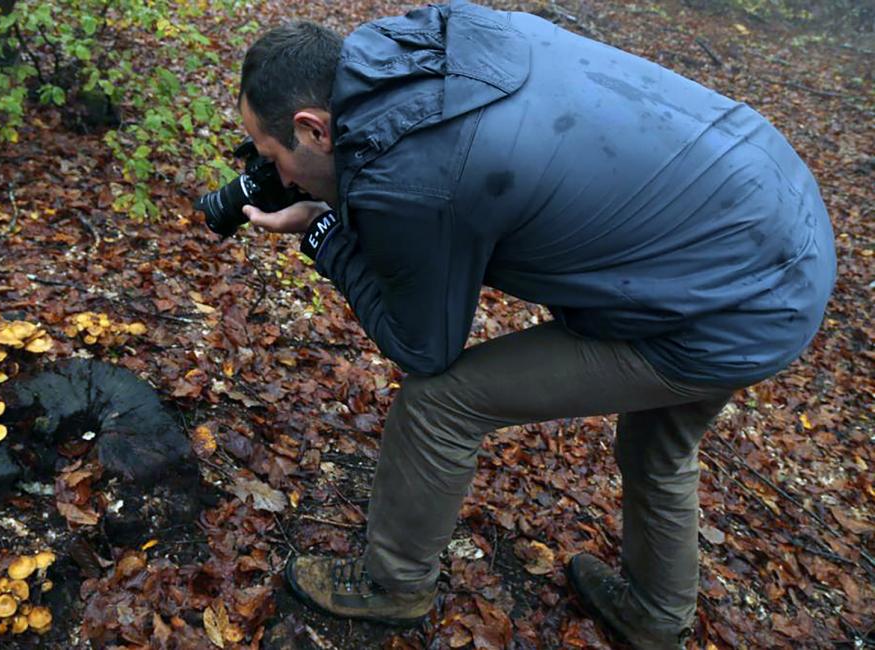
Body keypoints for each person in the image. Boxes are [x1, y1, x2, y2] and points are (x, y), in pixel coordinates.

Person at [233, 2, 836, 648]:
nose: (276, 176)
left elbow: (423, 346)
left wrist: (325, 234)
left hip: (737, 301)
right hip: (767, 204)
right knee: (656, 446)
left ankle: (394, 585)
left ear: (314, 128)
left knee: (440, 404)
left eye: (273, 156)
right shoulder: (409, 46)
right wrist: (341, 198)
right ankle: (656, 617)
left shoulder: (416, 179)